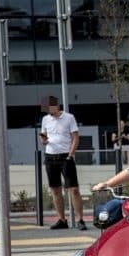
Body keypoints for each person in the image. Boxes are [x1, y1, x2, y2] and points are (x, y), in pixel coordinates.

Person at [40, 96, 86, 230]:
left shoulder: (69, 118)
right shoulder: (45, 119)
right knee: (55, 189)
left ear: (56, 106)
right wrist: (43, 140)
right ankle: (62, 220)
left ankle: (80, 220)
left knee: (74, 189)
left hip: (65, 156)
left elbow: (75, 137)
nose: (48, 111)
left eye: (49, 108)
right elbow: (44, 136)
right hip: (50, 156)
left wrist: (70, 154)